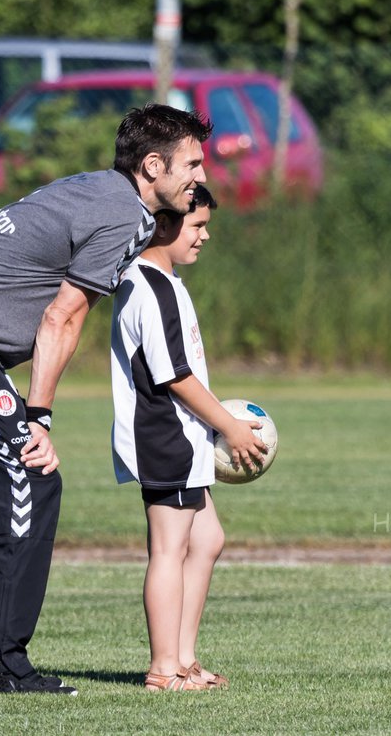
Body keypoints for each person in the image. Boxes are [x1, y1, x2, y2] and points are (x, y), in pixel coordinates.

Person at [0, 103, 213, 695]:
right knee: (26, 481)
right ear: (153, 165)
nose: (199, 177)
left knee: (26, 486)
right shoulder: (122, 214)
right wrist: (39, 416)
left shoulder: (104, 194)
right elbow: (62, 319)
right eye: (191, 164)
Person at [109, 185, 267, 691]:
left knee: (208, 539)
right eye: (196, 225)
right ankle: (163, 669)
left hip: (183, 436)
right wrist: (229, 425)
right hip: (166, 436)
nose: (205, 235)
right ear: (162, 224)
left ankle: (185, 659)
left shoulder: (167, 283)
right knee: (170, 548)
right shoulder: (149, 286)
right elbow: (175, 376)